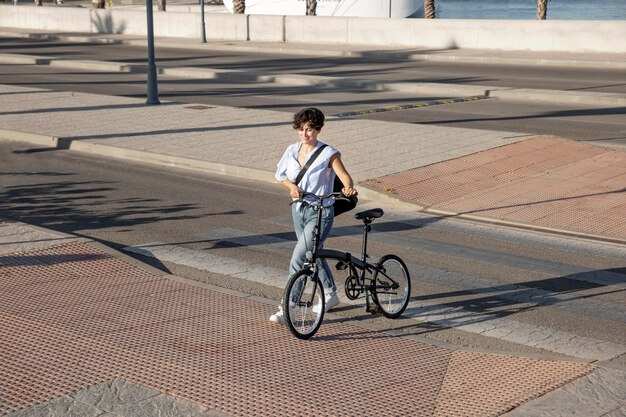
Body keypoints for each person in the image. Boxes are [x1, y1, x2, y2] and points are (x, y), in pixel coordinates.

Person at [270, 108, 357, 324]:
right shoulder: (291, 150)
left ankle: (287, 306)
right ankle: (330, 293)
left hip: (321, 212)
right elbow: (281, 176)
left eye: (309, 129)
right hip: (298, 209)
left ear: (317, 129)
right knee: (313, 252)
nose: (305, 134)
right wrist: (292, 187)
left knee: (299, 258)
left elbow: (346, 178)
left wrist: (348, 188)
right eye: (301, 129)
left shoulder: (329, 153)